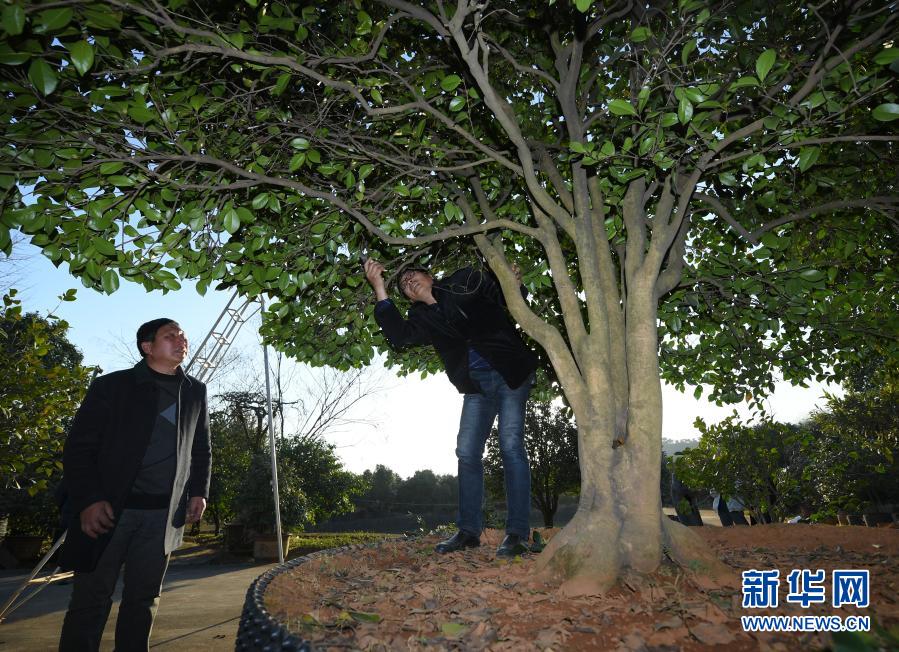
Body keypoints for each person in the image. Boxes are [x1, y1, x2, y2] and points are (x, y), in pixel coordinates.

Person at [364, 259, 538, 558]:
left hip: (511, 373)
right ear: (407, 297)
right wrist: (379, 287)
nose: (409, 282)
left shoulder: (463, 281)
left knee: (510, 444)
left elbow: (505, 296)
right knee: (466, 452)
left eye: (413, 275)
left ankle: (517, 534)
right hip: (476, 387)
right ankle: (469, 531)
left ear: (430, 276)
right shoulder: (422, 318)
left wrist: (513, 280)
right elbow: (400, 337)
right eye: (404, 284)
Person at [58, 318, 212, 652]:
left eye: (183, 336)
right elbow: (79, 448)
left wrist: (199, 491)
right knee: (90, 600)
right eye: (170, 336)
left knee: (143, 601)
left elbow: (201, 448)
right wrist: (89, 500)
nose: (181, 340)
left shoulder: (195, 391)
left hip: (162, 517)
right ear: (147, 346)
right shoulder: (112, 387)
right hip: (110, 510)